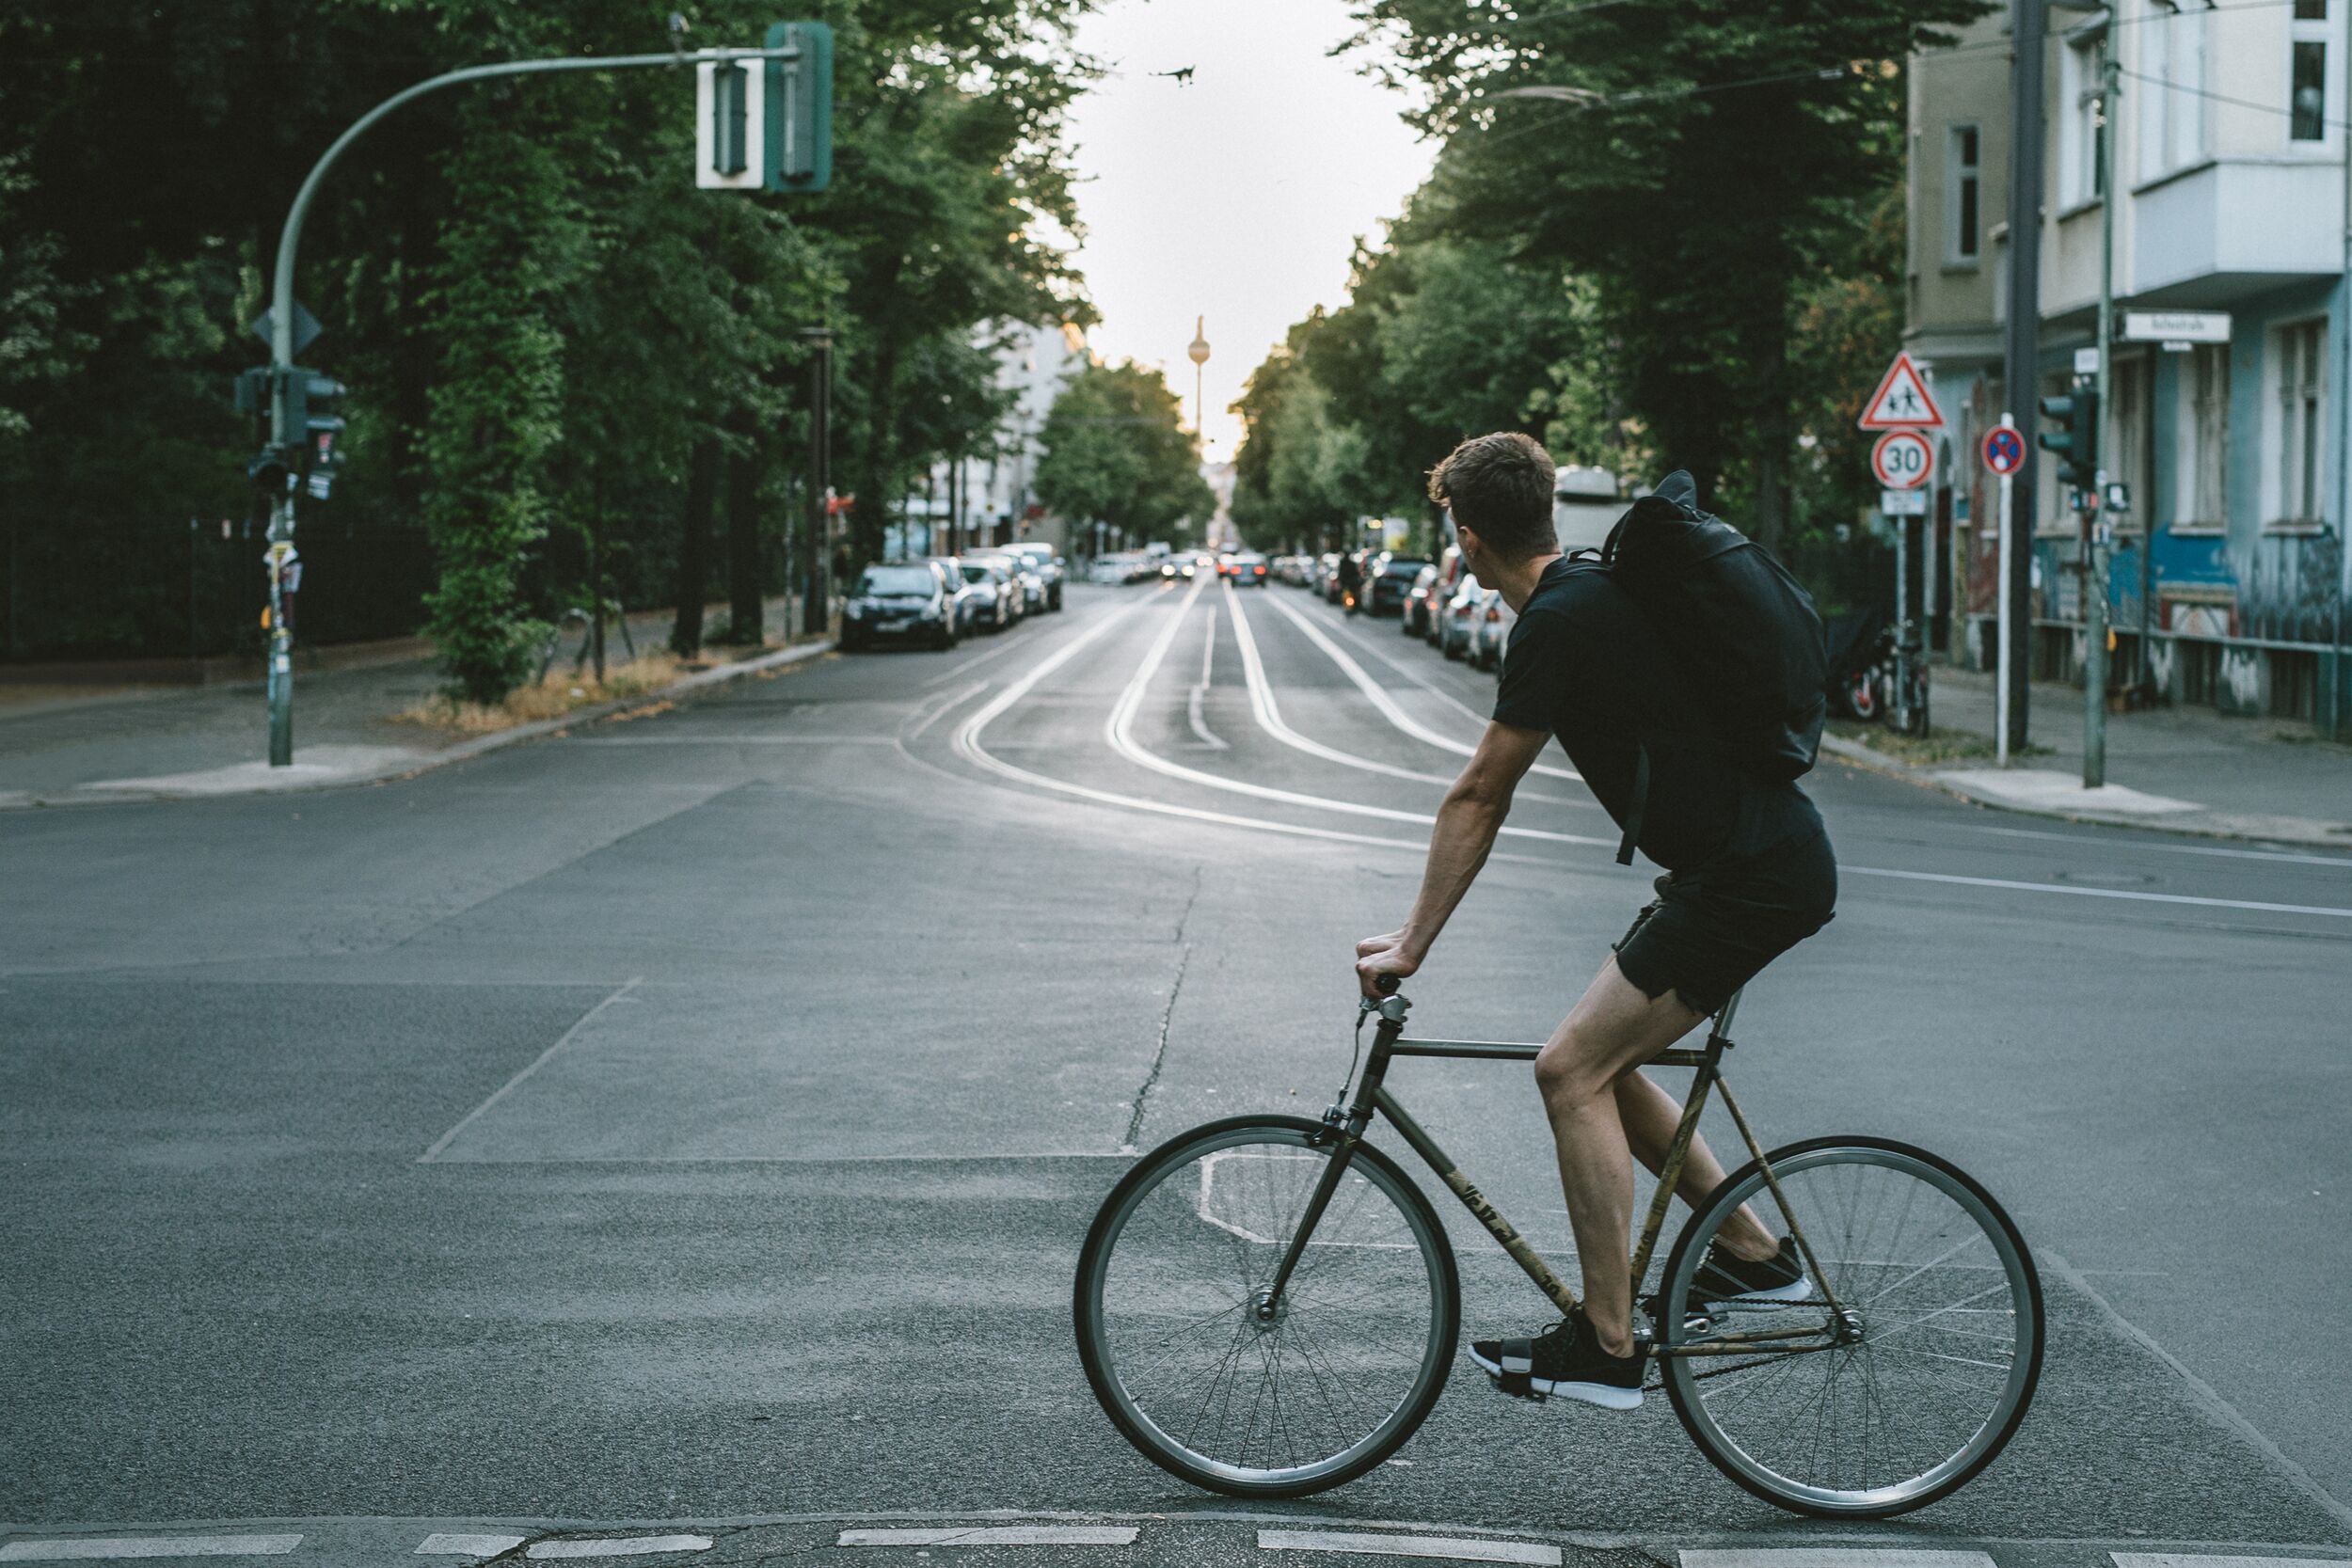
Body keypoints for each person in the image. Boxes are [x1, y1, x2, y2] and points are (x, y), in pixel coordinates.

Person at [1353, 433, 1836, 1410]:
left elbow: (1480, 792)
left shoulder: (1557, 619)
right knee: (1595, 1064)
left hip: (1748, 873)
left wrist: (1411, 943)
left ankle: (1608, 1343)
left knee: (1568, 1068)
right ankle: (1750, 1252)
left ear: (1468, 535)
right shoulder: (1581, 591)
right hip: (1743, 863)